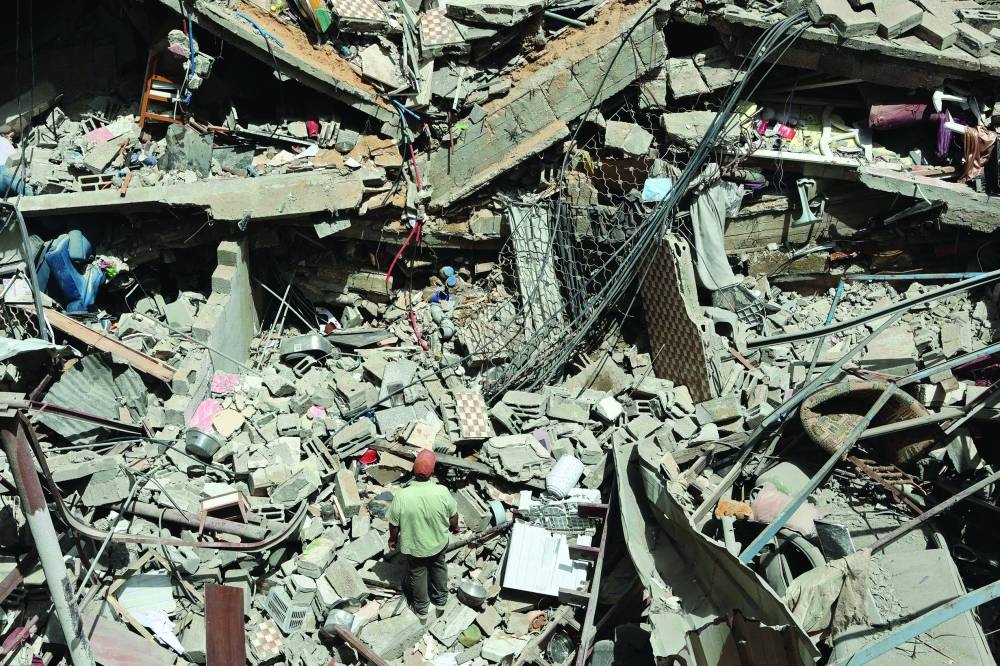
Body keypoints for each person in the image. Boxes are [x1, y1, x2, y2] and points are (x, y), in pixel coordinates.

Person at [386, 449, 459, 619]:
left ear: (413, 469)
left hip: (415, 547)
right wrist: (454, 528)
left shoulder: (402, 496)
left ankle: (422, 610)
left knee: (418, 574)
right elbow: (453, 516)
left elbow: (394, 524)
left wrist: (392, 539)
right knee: (439, 568)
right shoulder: (442, 491)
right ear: (432, 472)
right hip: (438, 544)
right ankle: (440, 601)